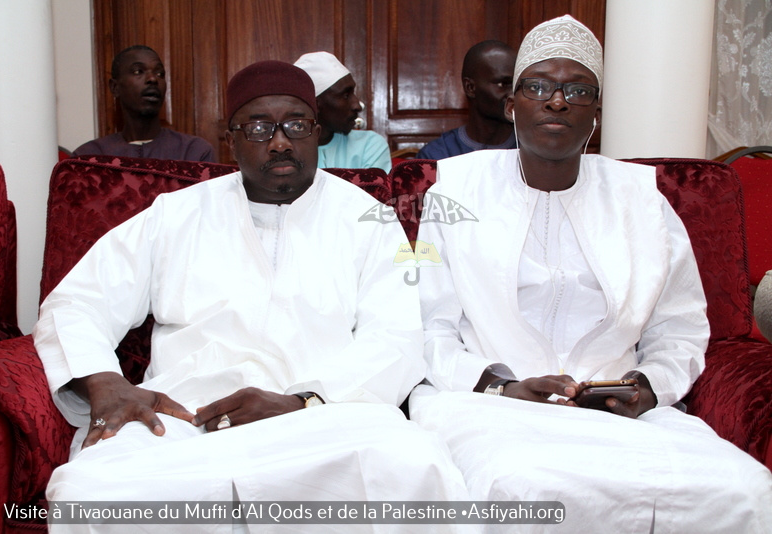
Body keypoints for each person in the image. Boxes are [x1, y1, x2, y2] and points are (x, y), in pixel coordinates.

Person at [34, 60, 471, 533]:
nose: (280, 141)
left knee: (415, 468)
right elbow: (77, 301)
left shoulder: (368, 219)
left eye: (296, 125)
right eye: (260, 127)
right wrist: (104, 382)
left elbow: (396, 340)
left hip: (324, 421)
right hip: (188, 421)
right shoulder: (176, 214)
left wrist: (302, 401)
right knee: (87, 494)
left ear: (317, 132)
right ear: (231, 138)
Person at [410, 15, 772, 533]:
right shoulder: (455, 196)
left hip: (622, 414)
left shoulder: (643, 203)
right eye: (538, 87)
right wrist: (500, 386)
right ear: (512, 106)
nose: (557, 102)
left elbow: (681, 328)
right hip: (487, 407)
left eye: (576, 91)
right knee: (525, 490)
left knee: (742, 488)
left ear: (596, 115)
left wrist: (647, 387)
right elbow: (430, 328)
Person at [72, 45, 217, 162]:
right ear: (115, 87)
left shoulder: (194, 152)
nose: (153, 79)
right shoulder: (88, 158)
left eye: (159, 73)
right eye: (138, 71)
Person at [416, 41, 517, 160]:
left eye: (517, 84)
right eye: (503, 84)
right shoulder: (437, 155)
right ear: (470, 88)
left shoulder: (533, 151)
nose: (513, 94)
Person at [294, 51, 392, 172]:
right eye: (346, 95)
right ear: (315, 104)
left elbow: (374, 190)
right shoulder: (287, 150)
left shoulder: (369, 145)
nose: (358, 105)